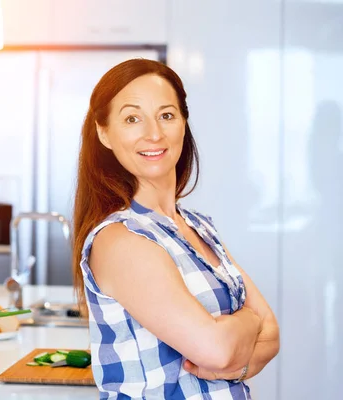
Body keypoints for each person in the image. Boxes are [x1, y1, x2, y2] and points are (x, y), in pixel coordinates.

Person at [71, 58, 280, 400]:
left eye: (166, 115)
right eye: (132, 118)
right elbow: (219, 351)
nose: (154, 133)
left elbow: (272, 336)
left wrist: (239, 350)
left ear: (183, 122)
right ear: (104, 132)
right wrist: (249, 325)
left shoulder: (198, 226)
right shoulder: (120, 240)